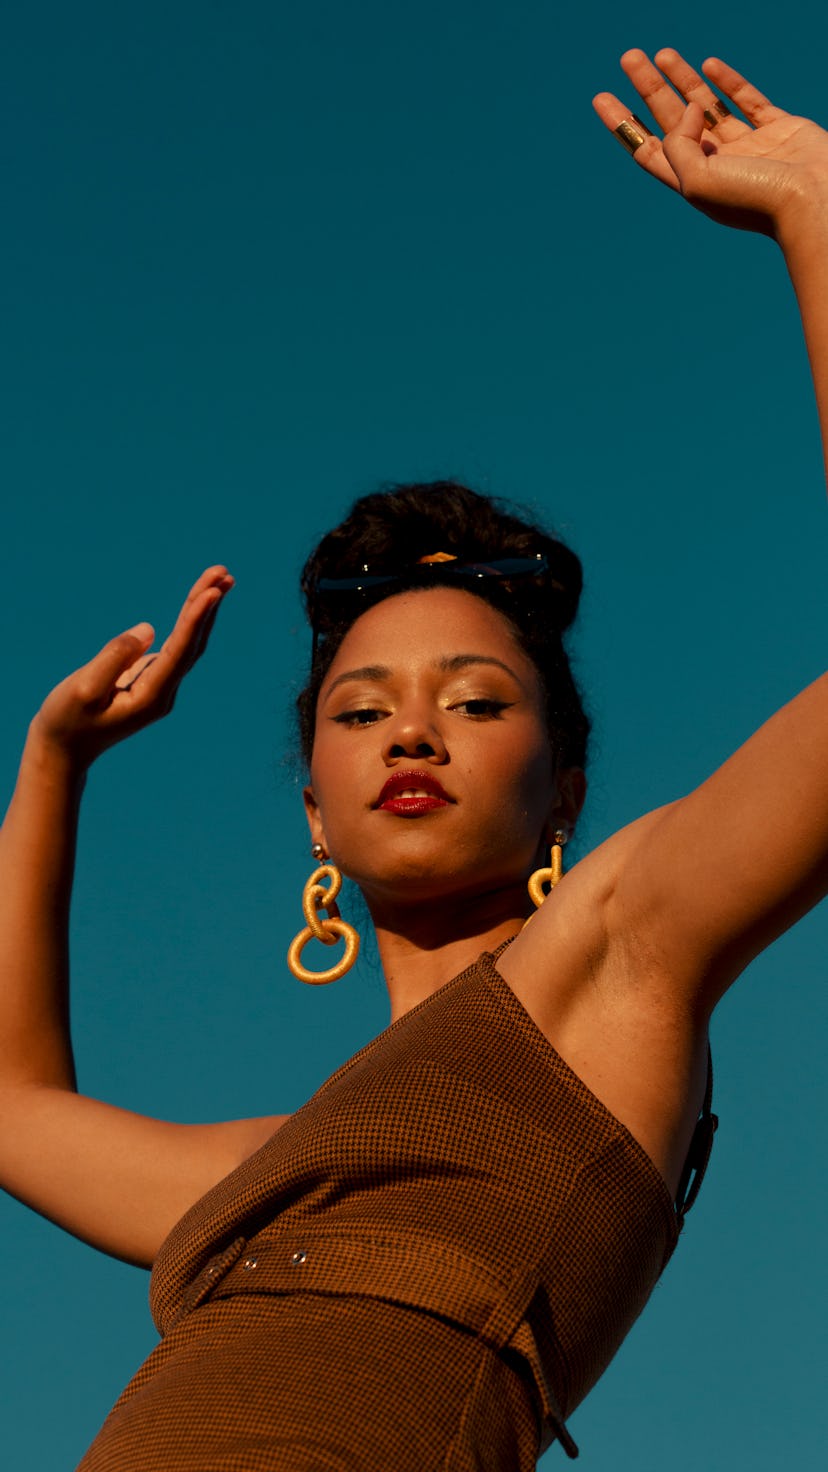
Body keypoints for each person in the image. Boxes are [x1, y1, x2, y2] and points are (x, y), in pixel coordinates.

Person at [1, 46, 826, 1471]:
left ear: (565, 790)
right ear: (313, 811)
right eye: (363, 709)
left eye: (477, 702)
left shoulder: (610, 957)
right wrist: (52, 768)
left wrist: (819, 220)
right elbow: (13, 1111)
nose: (413, 731)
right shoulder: (277, 1172)